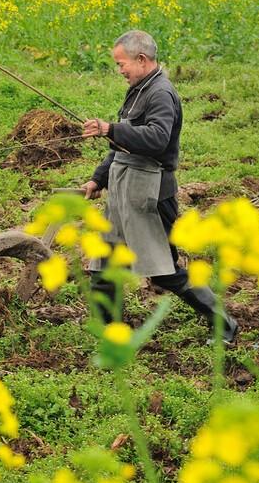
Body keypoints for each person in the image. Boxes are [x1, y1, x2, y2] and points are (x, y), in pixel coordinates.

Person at [81, 30, 238, 343]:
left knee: (164, 271)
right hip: (123, 189)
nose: (119, 70)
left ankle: (224, 325)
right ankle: (112, 336)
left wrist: (109, 128)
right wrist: (99, 178)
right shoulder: (138, 89)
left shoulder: (161, 93)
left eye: (122, 63)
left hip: (149, 193)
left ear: (142, 60)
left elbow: (156, 139)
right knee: (103, 266)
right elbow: (120, 144)